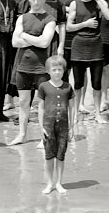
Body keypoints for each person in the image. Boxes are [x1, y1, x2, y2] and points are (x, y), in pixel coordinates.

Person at [66, 0, 109, 125]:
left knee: (96, 83)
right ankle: (77, 113)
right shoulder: (74, 4)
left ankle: (97, 113)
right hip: (79, 45)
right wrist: (84, 24)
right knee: (78, 83)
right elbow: (69, 26)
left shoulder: (99, 2)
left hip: (96, 45)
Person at [10, 0, 58, 145]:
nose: (36, 2)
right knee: (23, 102)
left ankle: (44, 138)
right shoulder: (21, 18)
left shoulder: (50, 19)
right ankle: (22, 135)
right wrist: (32, 39)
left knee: (42, 104)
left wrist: (23, 35)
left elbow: (44, 43)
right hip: (22, 66)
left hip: (41, 68)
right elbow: (14, 42)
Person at [36, 55, 74, 194]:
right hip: (48, 126)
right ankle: (49, 183)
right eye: (54, 69)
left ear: (64, 71)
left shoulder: (68, 87)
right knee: (49, 156)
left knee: (61, 156)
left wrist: (73, 127)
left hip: (63, 126)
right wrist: (41, 127)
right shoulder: (43, 86)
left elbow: (71, 107)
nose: (57, 72)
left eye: (60, 69)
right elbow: (40, 107)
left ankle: (59, 183)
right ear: (48, 71)